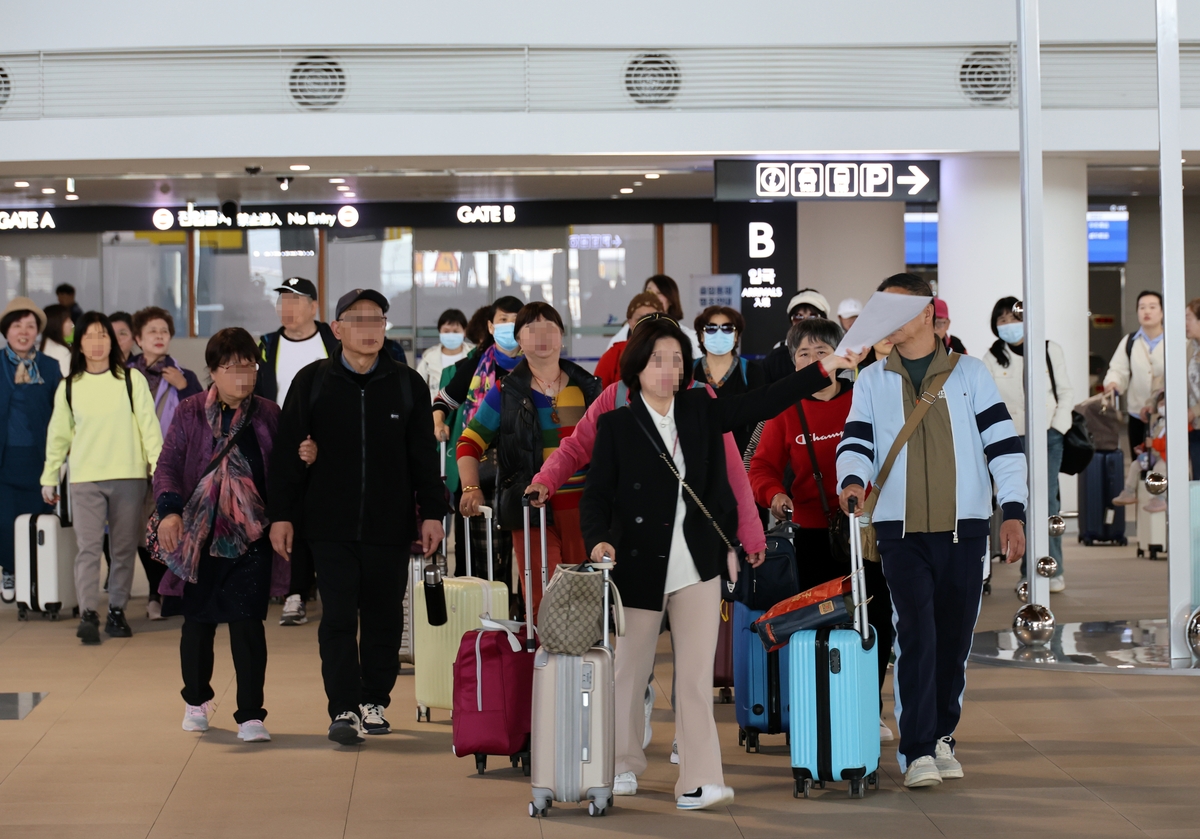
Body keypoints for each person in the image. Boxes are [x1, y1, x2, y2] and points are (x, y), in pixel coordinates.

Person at [580, 316, 861, 810]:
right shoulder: (616, 424)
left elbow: (762, 402)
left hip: (698, 565)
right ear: (635, 367)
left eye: (674, 359)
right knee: (630, 670)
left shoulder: (700, 407)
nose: (666, 370)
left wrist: (824, 371)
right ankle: (620, 762)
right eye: (655, 360)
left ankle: (699, 778)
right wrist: (599, 540)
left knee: (693, 677)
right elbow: (596, 495)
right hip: (639, 565)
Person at [836, 273, 1027, 789]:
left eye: (895, 309)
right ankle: (917, 748)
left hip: (964, 530)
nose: (883, 322)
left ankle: (943, 733)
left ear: (926, 314)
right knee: (915, 635)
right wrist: (852, 479)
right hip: (900, 531)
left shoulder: (970, 374)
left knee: (953, 640)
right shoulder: (873, 380)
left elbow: (1003, 449)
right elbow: (856, 442)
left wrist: (1013, 512)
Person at [268, 288, 446, 746]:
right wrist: (282, 515)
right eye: (359, 320)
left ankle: (374, 700)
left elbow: (424, 458)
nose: (369, 330)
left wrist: (432, 513)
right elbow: (289, 453)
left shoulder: (408, 383)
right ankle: (343, 707)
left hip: (390, 524)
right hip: (329, 524)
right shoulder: (312, 381)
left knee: (385, 616)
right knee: (340, 616)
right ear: (337, 329)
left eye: (377, 320)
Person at [747, 317, 894, 742]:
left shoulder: (864, 397)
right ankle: (815, 709)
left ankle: (869, 705)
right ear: (794, 363)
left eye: (822, 352)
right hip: (810, 535)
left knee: (874, 617)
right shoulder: (783, 408)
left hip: (864, 530)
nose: (814, 360)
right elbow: (759, 467)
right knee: (814, 624)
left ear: (841, 355)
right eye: (804, 354)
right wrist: (775, 495)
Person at [154, 328, 293, 741]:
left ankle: (251, 714)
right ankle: (196, 700)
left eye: (248, 364)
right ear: (213, 371)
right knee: (197, 624)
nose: (242, 374)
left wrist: (306, 456)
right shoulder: (191, 411)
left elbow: (283, 472)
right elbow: (167, 466)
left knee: (248, 625)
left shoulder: (269, 413)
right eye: (231, 366)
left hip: (252, 536)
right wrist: (168, 512)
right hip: (198, 534)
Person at [457, 302, 601, 618]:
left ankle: (583, 669)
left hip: (585, 512)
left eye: (550, 327)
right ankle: (544, 667)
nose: (542, 336)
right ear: (519, 340)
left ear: (562, 336)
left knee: (585, 606)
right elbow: (469, 442)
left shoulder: (588, 388)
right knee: (543, 604)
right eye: (531, 329)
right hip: (531, 513)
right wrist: (470, 487)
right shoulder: (505, 392)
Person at [41, 312, 163, 645]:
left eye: (103, 336)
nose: (97, 343)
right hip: (86, 479)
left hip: (129, 475)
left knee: (123, 549)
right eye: (89, 336)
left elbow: (149, 429)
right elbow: (58, 436)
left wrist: (160, 469)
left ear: (112, 340)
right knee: (89, 549)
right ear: (78, 343)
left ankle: (117, 611)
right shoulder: (69, 387)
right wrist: (49, 476)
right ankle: (88, 614)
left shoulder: (130, 380)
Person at [254, 276, 338, 627]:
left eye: (294, 301)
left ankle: (331, 591)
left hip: (328, 444)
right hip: (282, 445)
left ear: (313, 307)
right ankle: (294, 592)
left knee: (327, 516)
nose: (286, 309)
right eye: (281, 302)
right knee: (289, 515)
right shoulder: (267, 344)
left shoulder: (332, 341)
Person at [433, 296, 523, 592]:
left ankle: (521, 615)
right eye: (502, 321)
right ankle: (482, 615)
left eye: (515, 320)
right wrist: (438, 422)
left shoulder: (534, 364)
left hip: (524, 468)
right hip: (480, 467)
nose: (508, 327)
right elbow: (444, 400)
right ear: (490, 325)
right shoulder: (477, 364)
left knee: (524, 550)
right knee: (480, 551)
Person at [983, 297, 1073, 593]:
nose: (1009, 324)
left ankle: (1050, 567)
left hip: (1047, 436)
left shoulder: (1048, 349)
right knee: (1016, 503)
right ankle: (1027, 572)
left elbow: (1065, 392)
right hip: (1010, 438)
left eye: (1014, 317)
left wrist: (1057, 429)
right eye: (1003, 319)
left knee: (1047, 503)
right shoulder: (992, 356)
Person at [126, 306, 204, 619]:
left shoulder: (184, 375)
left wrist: (185, 387)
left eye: (164, 332)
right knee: (138, 534)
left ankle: (166, 593)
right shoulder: (124, 375)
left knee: (166, 529)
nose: (159, 337)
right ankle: (153, 591)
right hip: (132, 463)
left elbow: (201, 417)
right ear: (138, 339)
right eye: (152, 332)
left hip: (170, 466)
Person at [0, 298, 62, 603]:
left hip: (40, 459)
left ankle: (36, 579)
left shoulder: (50, 368)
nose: (23, 332)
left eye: (30, 326)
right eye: (16, 325)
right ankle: (9, 570)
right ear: (6, 331)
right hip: (4, 459)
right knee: (5, 521)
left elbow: (62, 413)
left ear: (38, 331)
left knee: (39, 520)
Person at [693, 305, 766, 456]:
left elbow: (760, 422)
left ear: (735, 335)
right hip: (697, 457)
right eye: (711, 328)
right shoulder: (688, 371)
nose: (719, 333)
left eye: (727, 328)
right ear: (701, 335)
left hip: (742, 458)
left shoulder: (751, 372)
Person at [1104, 290, 1166, 454]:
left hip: (1166, 415)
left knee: (1164, 466)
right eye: (1142, 307)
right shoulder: (1130, 341)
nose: (1146, 311)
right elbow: (1118, 369)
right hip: (1137, 414)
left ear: (1162, 312)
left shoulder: (1175, 340)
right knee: (1140, 464)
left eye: (1152, 307)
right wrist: (1113, 383)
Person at [604, 275, 702, 356]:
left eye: (659, 293)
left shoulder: (689, 336)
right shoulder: (626, 332)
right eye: (648, 291)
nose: (652, 296)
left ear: (671, 299)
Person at [594, 292, 663, 389]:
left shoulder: (674, 353)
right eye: (640, 319)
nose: (645, 324)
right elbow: (596, 397)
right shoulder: (614, 355)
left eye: (651, 319)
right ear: (630, 323)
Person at [763, 289, 832, 383]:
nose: (805, 322)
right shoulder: (776, 356)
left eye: (813, 316)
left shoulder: (836, 352)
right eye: (798, 317)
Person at [415, 308, 471, 402]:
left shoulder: (473, 356)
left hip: (465, 413)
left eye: (455, 331)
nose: (451, 335)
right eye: (446, 331)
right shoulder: (428, 359)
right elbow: (416, 388)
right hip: (435, 413)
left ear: (464, 332)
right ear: (439, 332)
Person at [39, 304, 74, 376]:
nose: (72, 324)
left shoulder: (40, 346)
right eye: (67, 320)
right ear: (57, 323)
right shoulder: (61, 352)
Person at [1186, 298, 1200, 476]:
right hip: (1194, 427)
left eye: (1188, 318)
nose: (1185, 323)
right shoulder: (1191, 347)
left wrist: (1194, 411)